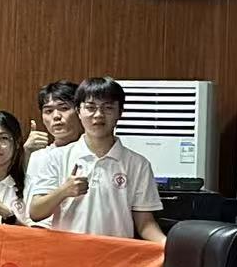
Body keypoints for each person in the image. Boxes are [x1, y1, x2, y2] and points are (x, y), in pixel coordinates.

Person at [28, 77, 165, 243]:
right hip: (68, 253)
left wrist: (168, 245)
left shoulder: (138, 164)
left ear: (120, 112)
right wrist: (64, 191)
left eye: (108, 107)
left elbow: (145, 224)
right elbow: (36, 212)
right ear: (78, 111)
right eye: (90, 107)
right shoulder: (56, 157)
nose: (98, 115)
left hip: (116, 255)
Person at [23, 80, 80, 175]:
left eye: (64, 108)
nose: (56, 116)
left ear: (80, 111)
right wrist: (27, 155)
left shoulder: (93, 149)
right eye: (49, 111)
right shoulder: (40, 156)